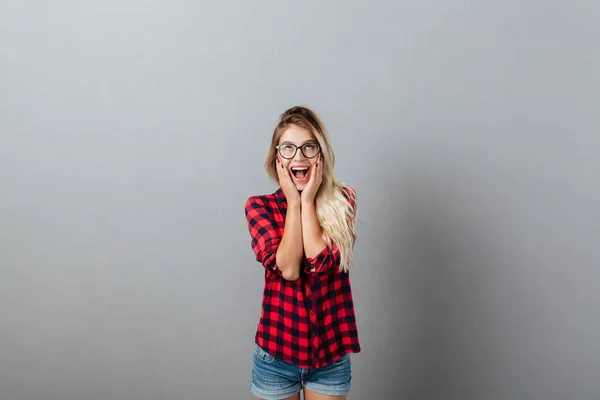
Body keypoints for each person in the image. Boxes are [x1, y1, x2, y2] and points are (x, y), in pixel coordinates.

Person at [244, 106, 360, 400]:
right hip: (276, 358)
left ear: (320, 154)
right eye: (288, 148)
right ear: (277, 157)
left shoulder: (342, 201)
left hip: (329, 359)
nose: (299, 157)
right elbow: (290, 270)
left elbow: (321, 262)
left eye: (308, 147)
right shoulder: (260, 207)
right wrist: (293, 203)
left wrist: (307, 200)